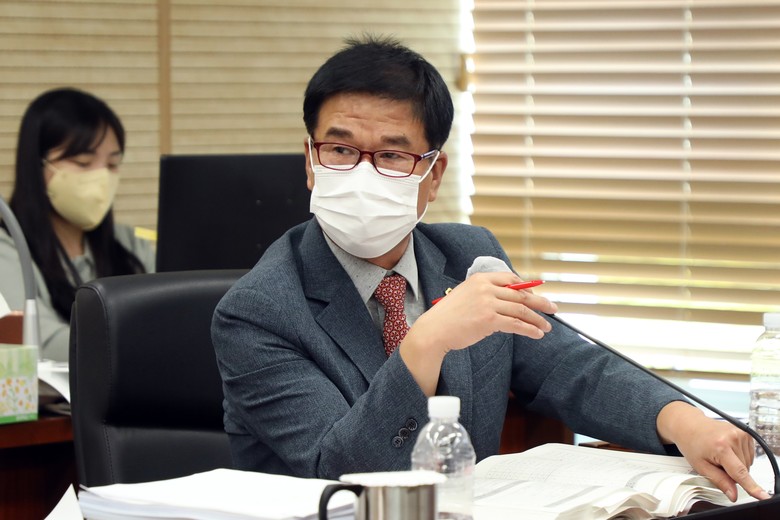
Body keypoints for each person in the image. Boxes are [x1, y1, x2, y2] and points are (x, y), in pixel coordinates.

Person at [211, 35, 769, 502]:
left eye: (392, 155)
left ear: (432, 175)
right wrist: (425, 342)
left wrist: (682, 420)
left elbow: (566, 367)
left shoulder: (466, 255)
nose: (362, 172)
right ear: (310, 162)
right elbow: (342, 472)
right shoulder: (258, 312)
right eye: (340, 150)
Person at [0, 87, 154, 361]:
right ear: (37, 166)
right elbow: (39, 340)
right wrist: (148, 345)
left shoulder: (130, 243)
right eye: (83, 162)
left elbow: (175, 312)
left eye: (112, 165)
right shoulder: (8, 247)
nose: (101, 178)